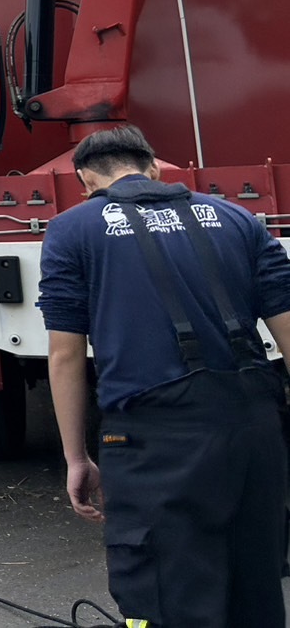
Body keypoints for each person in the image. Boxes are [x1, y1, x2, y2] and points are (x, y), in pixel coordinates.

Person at [38, 123, 290, 628]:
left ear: (86, 181)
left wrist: (76, 457)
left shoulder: (72, 230)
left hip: (156, 443)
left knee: (164, 593)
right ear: (154, 168)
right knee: (255, 585)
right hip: (253, 433)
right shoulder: (239, 218)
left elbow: (66, 356)